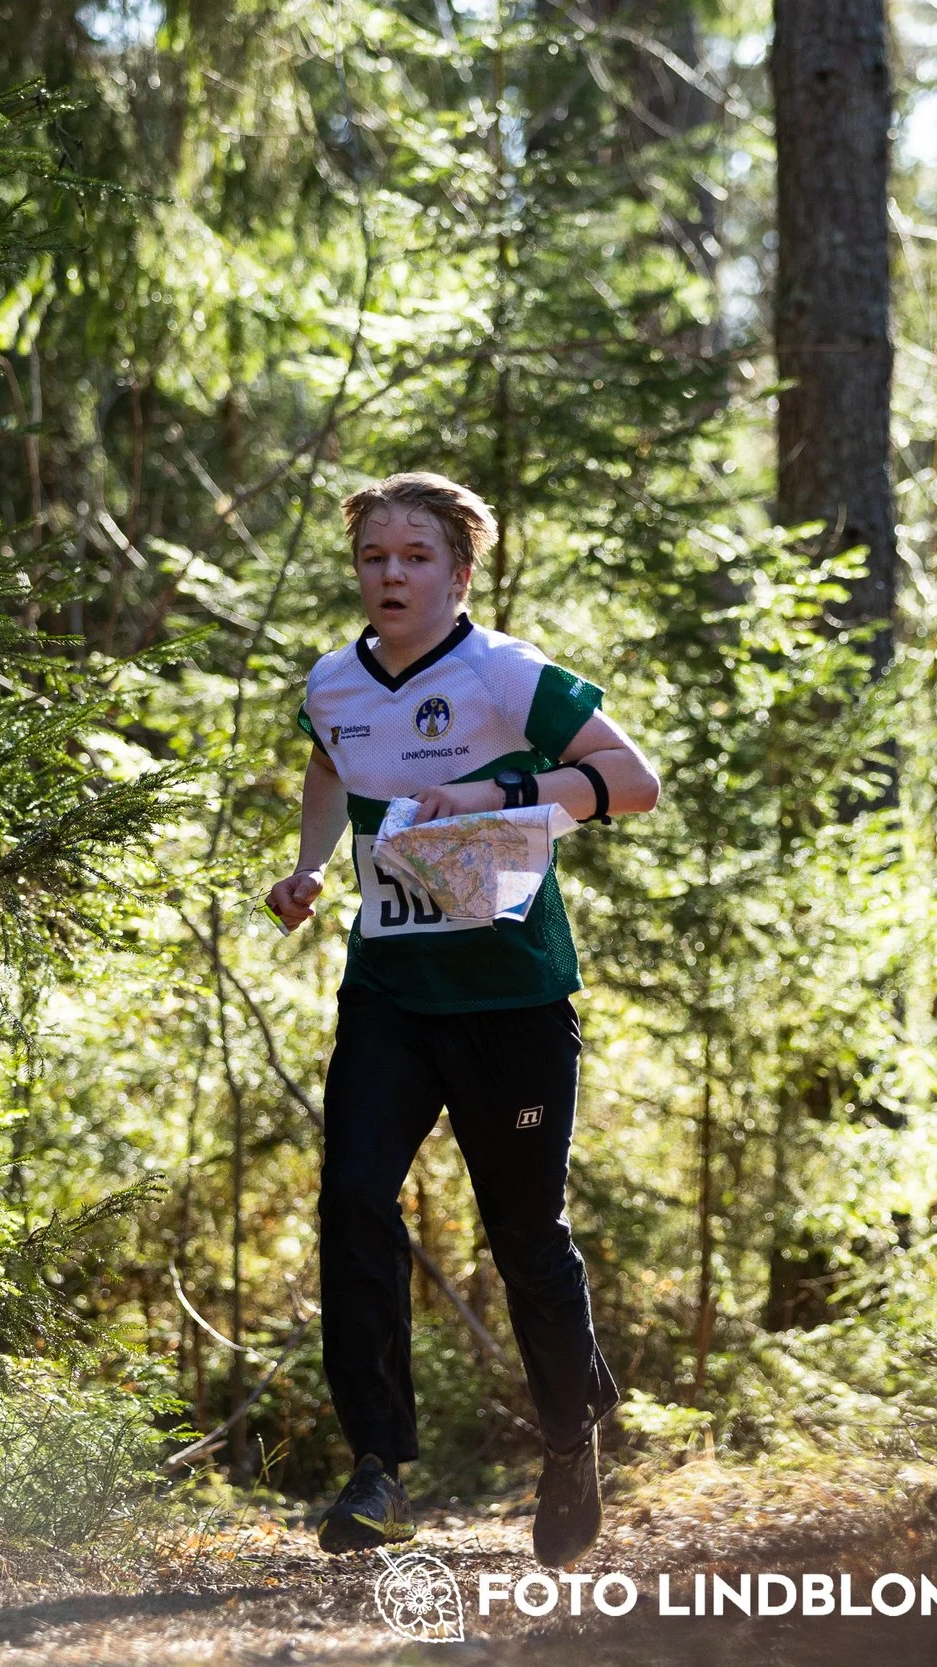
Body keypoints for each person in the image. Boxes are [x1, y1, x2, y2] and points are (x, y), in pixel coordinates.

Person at [264, 472, 660, 1570]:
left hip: (512, 998)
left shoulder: (505, 673)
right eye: (375, 558)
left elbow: (633, 782)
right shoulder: (334, 680)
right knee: (351, 1197)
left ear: (459, 571)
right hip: (391, 991)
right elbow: (327, 762)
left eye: (415, 557)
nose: (391, 575)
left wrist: (500, 796)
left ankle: (570, 1439)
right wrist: (303, 869)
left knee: (527, 1234)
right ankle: (381, 1465)